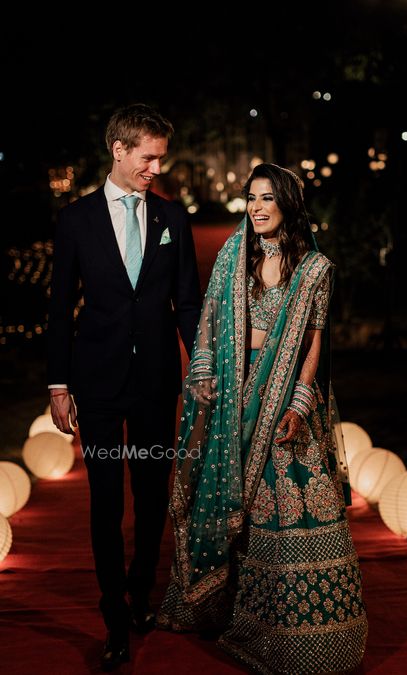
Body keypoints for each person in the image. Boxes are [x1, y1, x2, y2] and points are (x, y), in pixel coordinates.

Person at [157, 163, 368, 674]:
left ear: (288, 204)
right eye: (251, 198)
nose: (256, 207)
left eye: (266, 198)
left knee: (288, 509)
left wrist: (298, 403)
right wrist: (203, 372)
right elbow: (209, 321)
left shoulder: (315, 269)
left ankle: (305, 638)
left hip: (286, 403)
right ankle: (232, 613)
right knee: (239, 509)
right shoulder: (234, 256)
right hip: (234, 397)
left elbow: (314, 344)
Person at [47, 103, 201, 671]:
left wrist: (203, 364)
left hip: (159, 381)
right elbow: (60, 308)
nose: (156, 167)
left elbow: (186, 302)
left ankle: (140, 593)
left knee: (153, 494)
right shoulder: (76, 220)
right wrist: (59, 384)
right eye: (148, 156)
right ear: (119, 148)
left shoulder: (173, 219)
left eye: (161, 156)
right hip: (99, 384)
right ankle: (114, 615)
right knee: (106, 501)